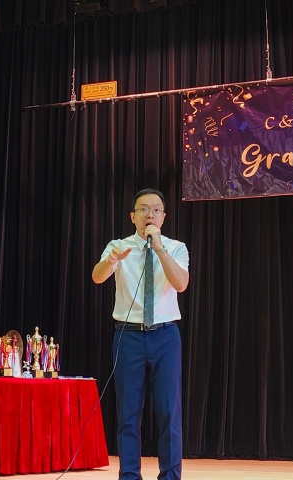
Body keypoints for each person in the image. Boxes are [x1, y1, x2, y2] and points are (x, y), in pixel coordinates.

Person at [92, 188, 189, 480]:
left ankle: (170, 476)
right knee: (128, 414)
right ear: (132, 216)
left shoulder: (175, 247)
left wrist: (159, 249)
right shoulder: (118, 246)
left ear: (163, 216)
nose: (150, 214)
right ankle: (129, 475)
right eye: (143, 209)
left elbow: (181, 284)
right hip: (128, 336)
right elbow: (97, 277)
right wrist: (111, 261)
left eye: (156, 210)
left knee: (169, 412)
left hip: (165, 336)